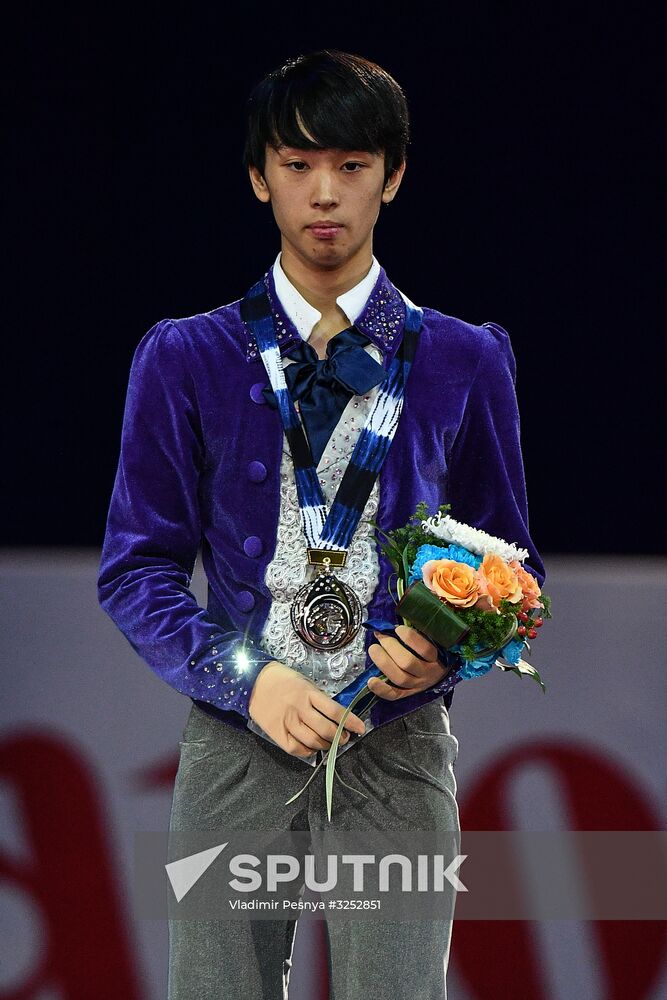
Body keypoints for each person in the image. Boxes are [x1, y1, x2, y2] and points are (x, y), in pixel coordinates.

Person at [97, 48, 545, 1000]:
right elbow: (135, 570)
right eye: (297, 165)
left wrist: (443, 652)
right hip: (239, 742)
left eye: (351, 164)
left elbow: (515, 567)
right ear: (259, 177)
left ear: (394, 175)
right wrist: (245, 681)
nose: (325, 193)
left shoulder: (463, 359)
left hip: (398, 741)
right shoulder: (188, 357)